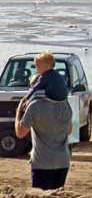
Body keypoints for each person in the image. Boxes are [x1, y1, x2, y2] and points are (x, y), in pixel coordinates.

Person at [15, 51, 73, 190]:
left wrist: (19, 111)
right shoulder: (64, 103)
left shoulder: (35, 106)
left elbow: (20, 133)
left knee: (41, 197)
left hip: (43, 162)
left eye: (31, 85)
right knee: (57, 196)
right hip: (63, 161)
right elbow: (69, 130)